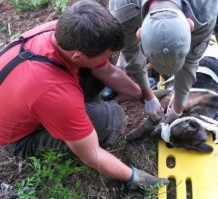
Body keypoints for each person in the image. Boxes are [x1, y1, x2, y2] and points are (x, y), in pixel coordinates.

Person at [0, 0, 169, 190]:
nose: (108, 60)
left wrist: (145, 95)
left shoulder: (63, 32)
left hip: (28, 97)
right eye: (106, 56)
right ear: (77, 57)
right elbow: (91, 155)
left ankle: (68, 114)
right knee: (112, 119)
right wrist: (134, 177)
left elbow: (109, 72)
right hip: (22, 138)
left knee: (96, 71)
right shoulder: (54, 92)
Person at [108, 0, 218, 128]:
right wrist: (147, 96)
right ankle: (118, 77)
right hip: (136, 12)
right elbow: (131, 50)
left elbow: (190, 61)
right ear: (140, 33)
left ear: (190, 25)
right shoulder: (122, 9)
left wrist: (178, 106)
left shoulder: (205, 8)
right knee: (128, 48)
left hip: (199, 7)